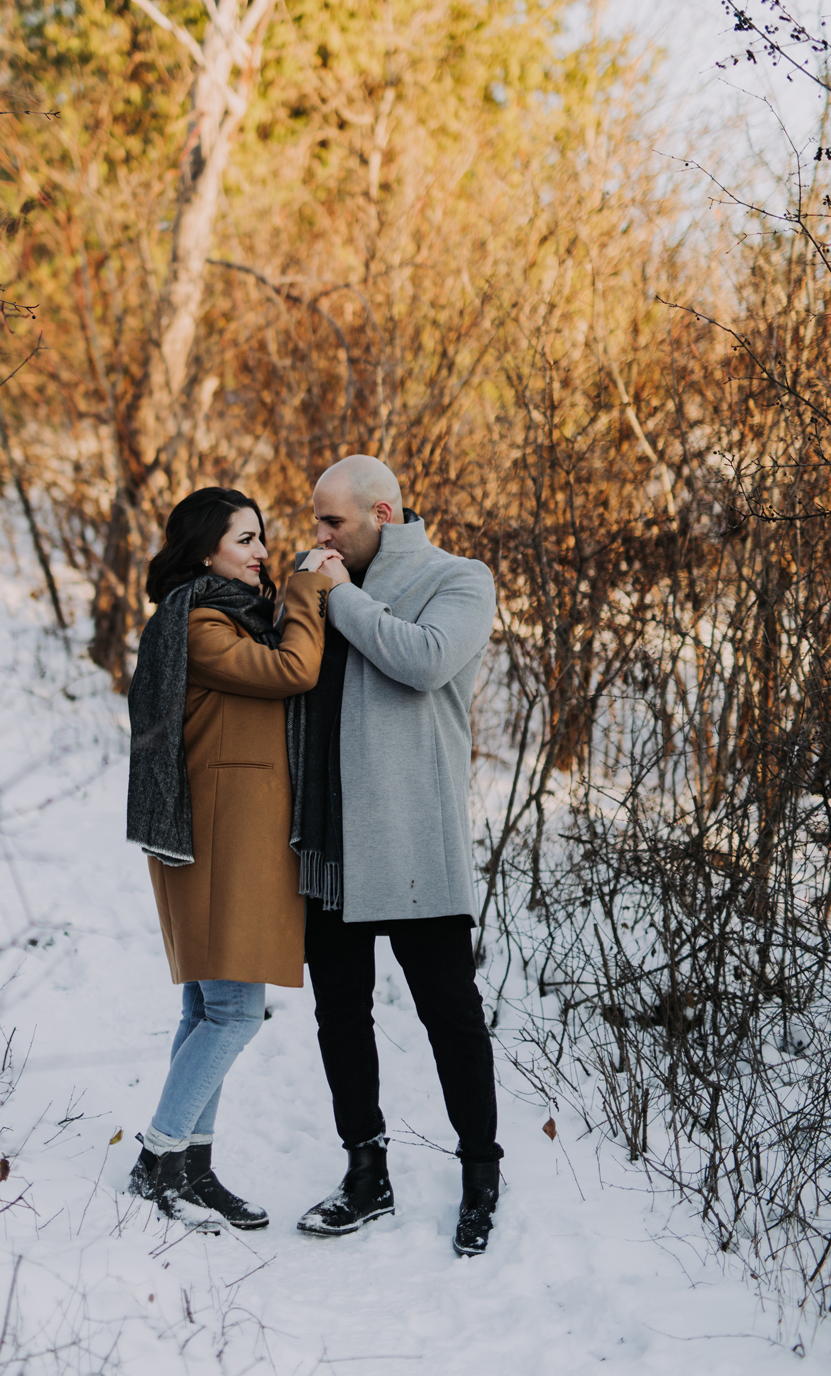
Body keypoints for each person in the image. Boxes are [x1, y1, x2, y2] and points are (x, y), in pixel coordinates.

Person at [289, 455, 502, 1255]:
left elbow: (420, 662)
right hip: (330, 841)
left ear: (381, 513)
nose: (319, 538)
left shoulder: (459, 579)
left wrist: (337, 595)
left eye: (332, 522)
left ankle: (481, 1174)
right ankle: (365, 1173)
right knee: (340, 1013)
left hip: (413, 838)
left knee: (451, 1015)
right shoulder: (321, 581)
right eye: (315, 523)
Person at [125, 486, 342, 1230]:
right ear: (205, 549)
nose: (261, 552)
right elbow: (293, 672)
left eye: (261, 539)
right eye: (244, 540)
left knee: (207, 1007)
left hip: (226, 838)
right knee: (235, 1012)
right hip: (216, 841)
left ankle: (192, 1165)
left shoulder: (221, 617)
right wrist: (311, 588)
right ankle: (158, 1159)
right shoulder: (203, 623)